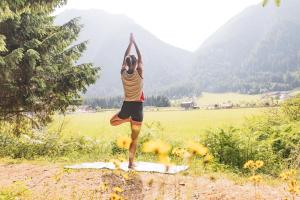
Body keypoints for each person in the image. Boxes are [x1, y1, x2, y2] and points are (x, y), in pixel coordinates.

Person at [110, 33, 144, 169]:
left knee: (112, 122)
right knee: (134, 139)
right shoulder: (140, 72)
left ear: (126, 64)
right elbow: (140, 57)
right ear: (136, 64)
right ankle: (130, 163)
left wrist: (129, 44)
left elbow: (125, 59)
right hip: (138, 108)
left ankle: (126, 119)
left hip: (126, 106)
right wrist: (134, 42)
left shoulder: (123, 73)